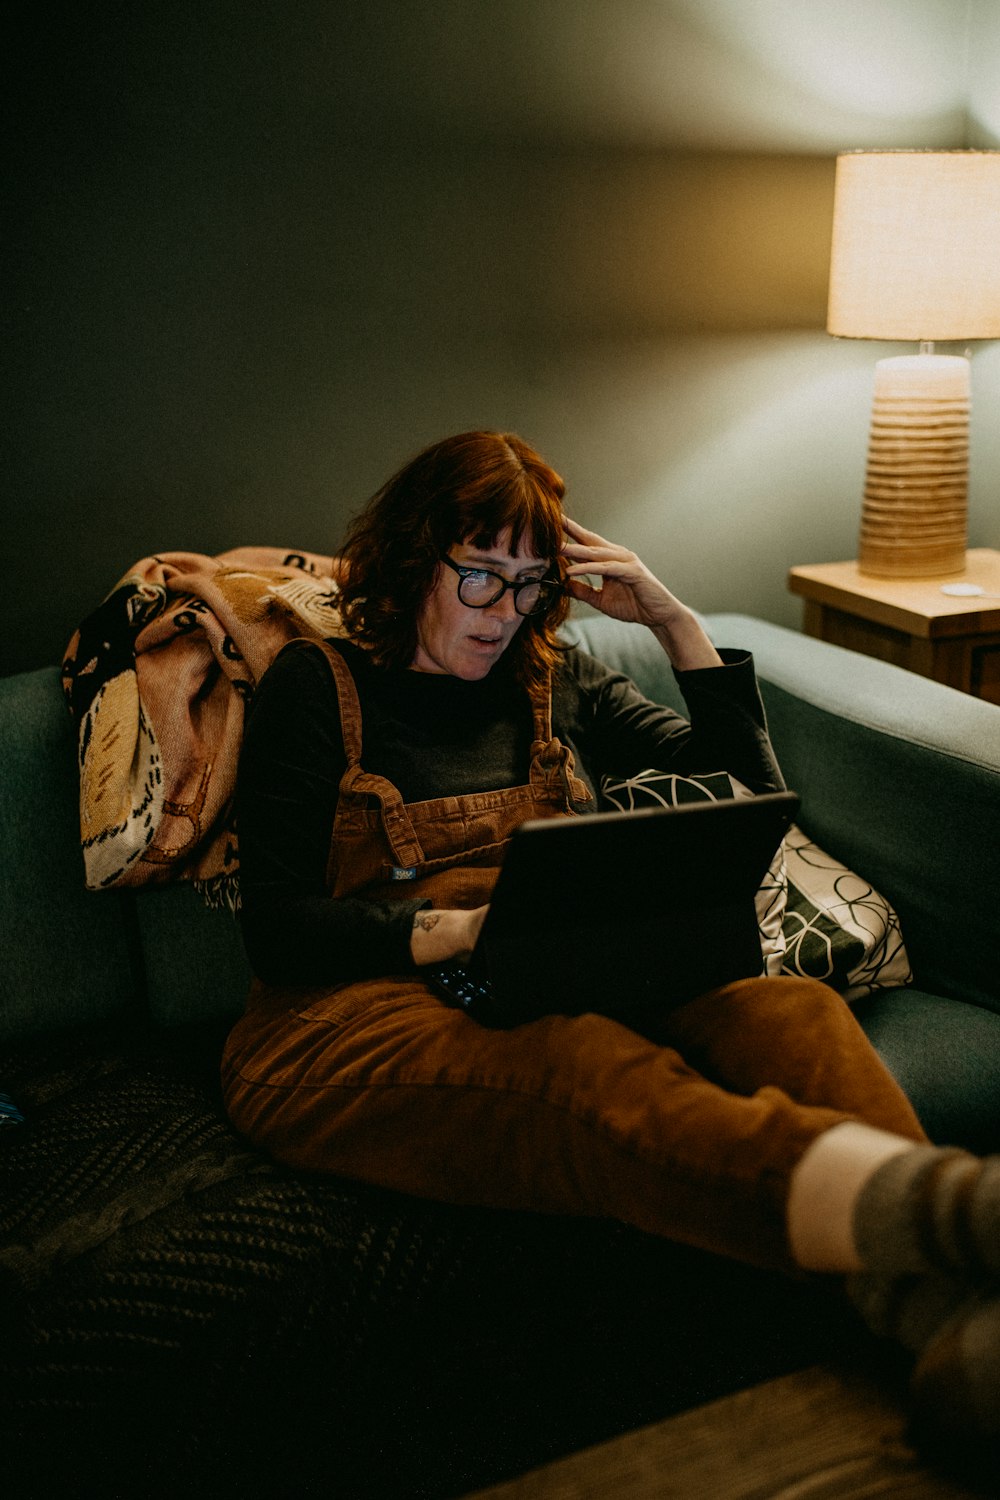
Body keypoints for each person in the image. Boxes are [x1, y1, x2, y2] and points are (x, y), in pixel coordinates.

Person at [222, 430, 999, 1458]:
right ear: (417, 559)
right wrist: (456, 928)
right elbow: (278, 933)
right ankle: (952, 1220)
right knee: (585, 1070)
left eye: (529, 586)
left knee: (786, 1005)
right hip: (343, 1015)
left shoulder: (553, 675)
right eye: (480, 580)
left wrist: (673, 624)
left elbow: (745, 795)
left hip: (549, 959)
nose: (503, 615)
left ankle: (936, 1314)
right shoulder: (317, 689)